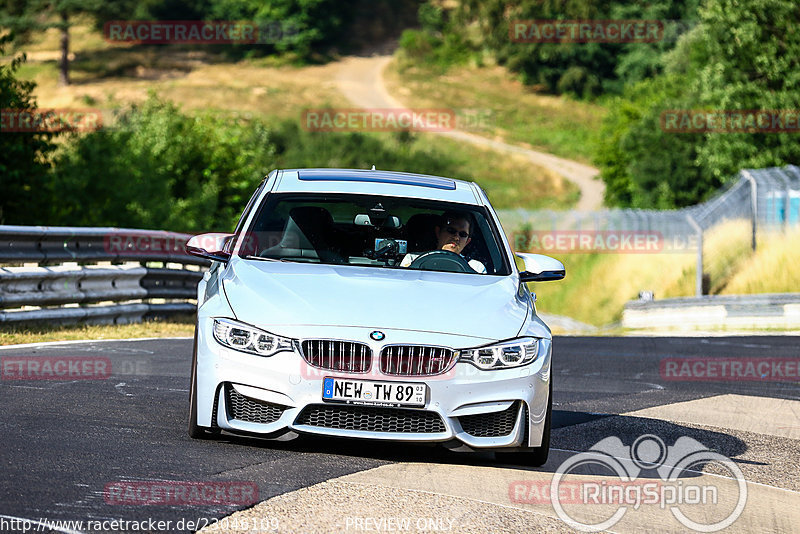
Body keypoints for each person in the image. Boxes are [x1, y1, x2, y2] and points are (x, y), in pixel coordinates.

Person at [400, 212, 486, 273]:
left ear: (467, 241)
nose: (456, 237)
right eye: (451, 230)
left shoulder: (476, 268)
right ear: (438, 232)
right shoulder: (411, 259)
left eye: (462, 234)